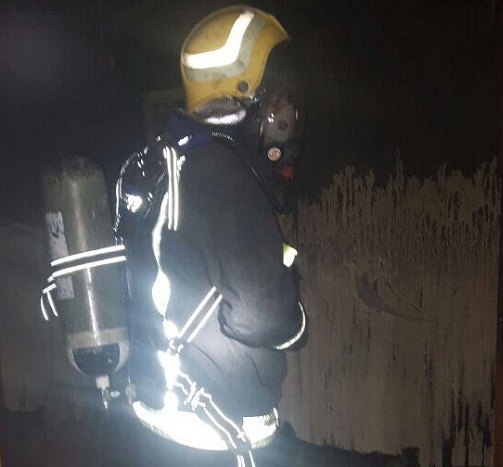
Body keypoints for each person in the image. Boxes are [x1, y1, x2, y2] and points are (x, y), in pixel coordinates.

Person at [110, 5, 307, 466]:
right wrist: (294, 324)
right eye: (281, 104)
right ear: (257, 101)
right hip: (217, 431)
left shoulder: (165, 159)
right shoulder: (223, 174)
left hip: (161, 414)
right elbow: (259, 313)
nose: (287, 118)